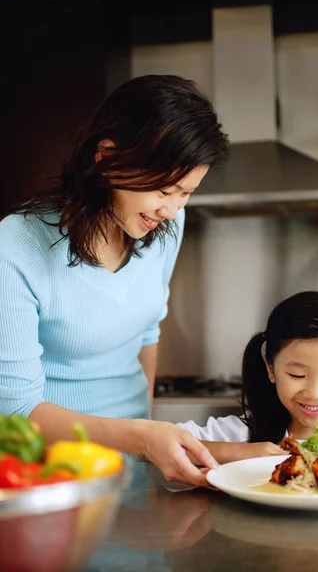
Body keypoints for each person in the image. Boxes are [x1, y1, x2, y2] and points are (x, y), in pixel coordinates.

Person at [0, 74, 229, 485]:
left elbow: (146, 335)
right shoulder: (15, 246)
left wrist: (147, 440)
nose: (173, 209)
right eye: (165, 189)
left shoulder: (165, 231)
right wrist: (142, 437)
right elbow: (18, 411)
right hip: (52, 476)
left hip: (136, 469)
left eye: (186, 193)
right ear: (107, 156)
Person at [178, 291, 318, 463]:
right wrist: (239, 453)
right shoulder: (242, 433)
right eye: (297, 375)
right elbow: (160, 446)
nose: (314, 393)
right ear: (271, 368)